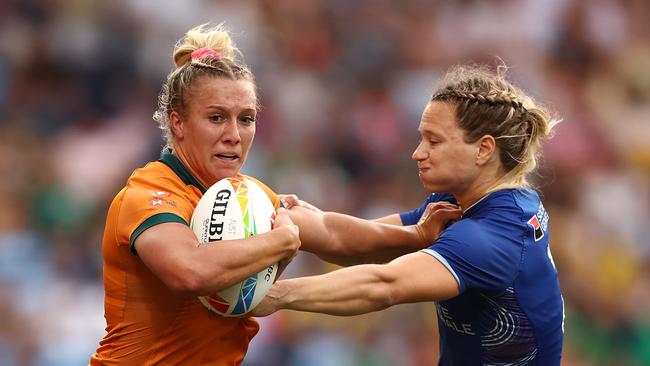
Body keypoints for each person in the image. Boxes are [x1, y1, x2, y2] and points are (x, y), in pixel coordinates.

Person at [89, 24, 449, 366]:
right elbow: (190, 272)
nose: (234, 134)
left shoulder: (248, 196)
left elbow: (335, 235)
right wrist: (281, 243)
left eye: (245, 119)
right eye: (216, 118)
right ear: (177, 123)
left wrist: (415, 235)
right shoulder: (149, 192)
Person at [253, 65, 565, 365]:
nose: (418, 152)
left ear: (483, 149)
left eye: (434, 140)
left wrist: (279, 295)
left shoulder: (494, 235)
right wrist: (274, 213)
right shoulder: (468, 201)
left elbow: (385, 284)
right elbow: (356, 241)